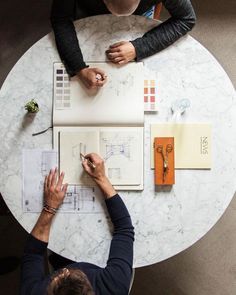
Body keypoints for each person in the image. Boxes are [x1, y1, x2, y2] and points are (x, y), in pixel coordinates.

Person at [20, 153, 135, 295]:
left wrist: (49, 209)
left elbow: (33, 254)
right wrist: (101, 178)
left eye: (58, 279)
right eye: (75, 276)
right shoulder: (114, 286)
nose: (65, 271)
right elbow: (124, 228)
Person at [50, 0, 196, 89]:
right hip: (88, 12)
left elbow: (187, 19)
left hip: (142, 13)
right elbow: (60, 19)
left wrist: (138, 47)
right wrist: (79, 68)